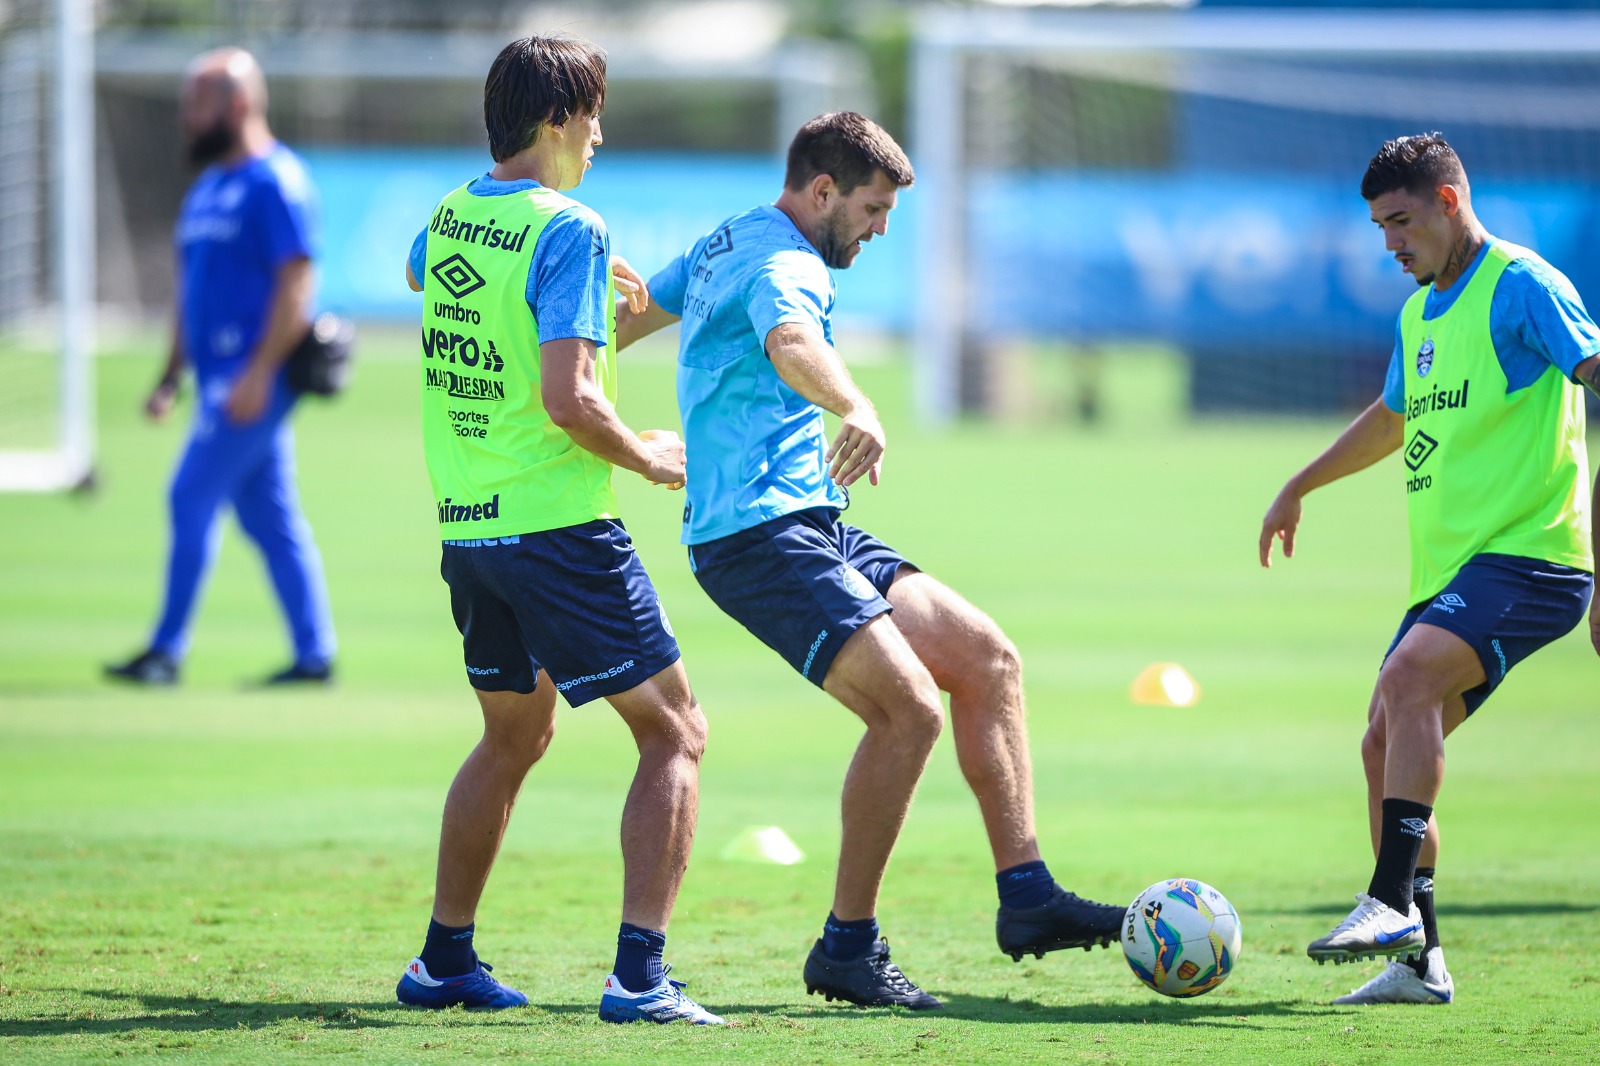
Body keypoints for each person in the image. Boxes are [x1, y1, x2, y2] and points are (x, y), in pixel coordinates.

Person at [617, 111, 1127, 1011]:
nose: (882, 227)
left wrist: (591, 350)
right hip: (754, 537)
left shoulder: (725, 239)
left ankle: (1028, 895)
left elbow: (634, 319)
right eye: (873, 207)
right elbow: (791, 342)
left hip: (812, 518)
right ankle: (849, 948)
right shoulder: (786, 263)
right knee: (910, 714)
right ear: (822, 192)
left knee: (988, 660)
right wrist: (858, 406)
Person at [393, 34, 720, 1026]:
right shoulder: (569, 227)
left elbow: (425, 273)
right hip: (558, 531)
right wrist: (650, 455)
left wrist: (567, 264)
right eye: (593, 119)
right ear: (556, 123)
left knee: (514, 734)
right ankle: (639, 978)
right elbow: (572, 398)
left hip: (470, 531)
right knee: (676, 732)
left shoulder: (453, 213)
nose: (601, 137)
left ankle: (444, 960)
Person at [1259, 132, 1600, 1005]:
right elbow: (1391, 417)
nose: (1390, 244)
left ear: (1450, 202)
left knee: (1408, 685)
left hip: (1534, 557)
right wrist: (1301, 483)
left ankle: (1388, 901)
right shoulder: (1420, 314)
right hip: (1453, 571)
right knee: (1384, 743)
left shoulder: (1522, 285)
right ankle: (1420, 963)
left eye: (1402, 221)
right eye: (1379, 227)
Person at [106, 48, 336, 687]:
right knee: (269, 516)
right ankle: (314, 655)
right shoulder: (209, 188)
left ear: (236, 105)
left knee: (188, 495)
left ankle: (165, 651)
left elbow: (297, 283)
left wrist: (260, 372)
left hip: (250, 380)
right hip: (215, 379)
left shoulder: (275, 182)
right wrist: (169, 374)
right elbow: (190, 293)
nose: (185, 117)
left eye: (196, 103)